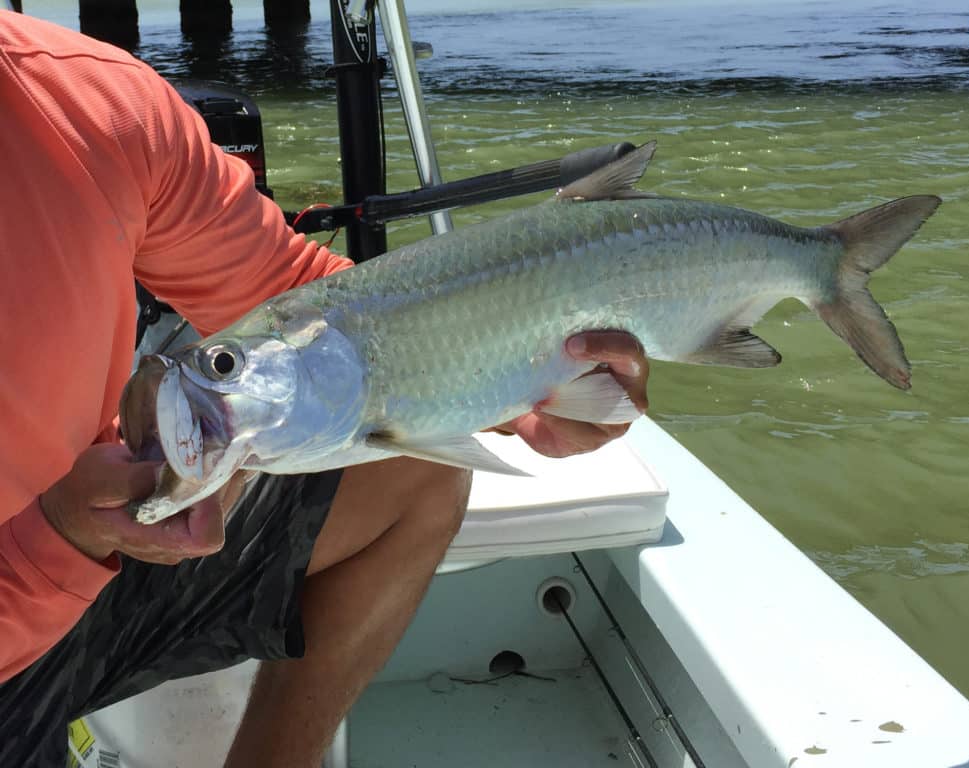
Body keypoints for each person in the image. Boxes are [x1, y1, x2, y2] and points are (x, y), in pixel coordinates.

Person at [0, 10, 650, 767]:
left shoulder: (90, 104)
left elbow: (315, 306)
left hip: (77, 559)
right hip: (42, 575)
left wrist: (518, 370)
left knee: (408, 464)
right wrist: (53, 545)